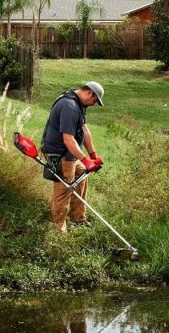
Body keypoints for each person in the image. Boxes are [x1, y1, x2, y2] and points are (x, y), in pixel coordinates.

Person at [41, 81, 105, 233]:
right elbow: (68, 139)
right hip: (60, 154)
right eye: (95, 100)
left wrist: (93, 157)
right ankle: (58, 230)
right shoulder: (69, 106)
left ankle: (77, 219)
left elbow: (85, 131)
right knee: (63, 189)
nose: (94, 104)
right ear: (90, 93)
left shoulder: (79, 104)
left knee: (83, 175)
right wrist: (85, 160)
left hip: (71, 154)